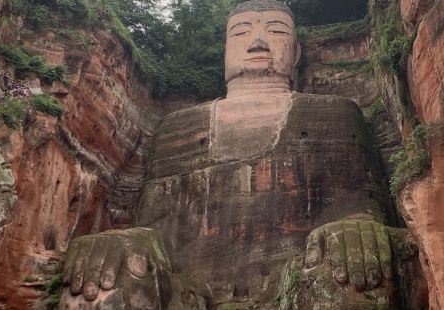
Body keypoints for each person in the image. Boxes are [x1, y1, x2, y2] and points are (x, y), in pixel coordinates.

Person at [60, 1, 418, 309]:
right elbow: (153, 233)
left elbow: (363, 211)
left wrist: (356, 229)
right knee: (110, 274)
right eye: (241, 33)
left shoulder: (333, 114)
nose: (258, 42)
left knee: (351, 267)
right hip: (186, 294)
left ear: (295, 52)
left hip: (306, 279)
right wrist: (123, 241)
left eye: (276, 32)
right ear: (225, 49)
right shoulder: (178, 127)